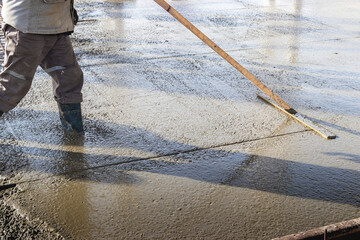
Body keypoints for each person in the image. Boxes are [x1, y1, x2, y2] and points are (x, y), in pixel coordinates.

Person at [0, 0, 84, 133]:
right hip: (28, 26)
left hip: (57, 24)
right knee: (11, 87)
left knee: (69, 79)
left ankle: (74, 131)